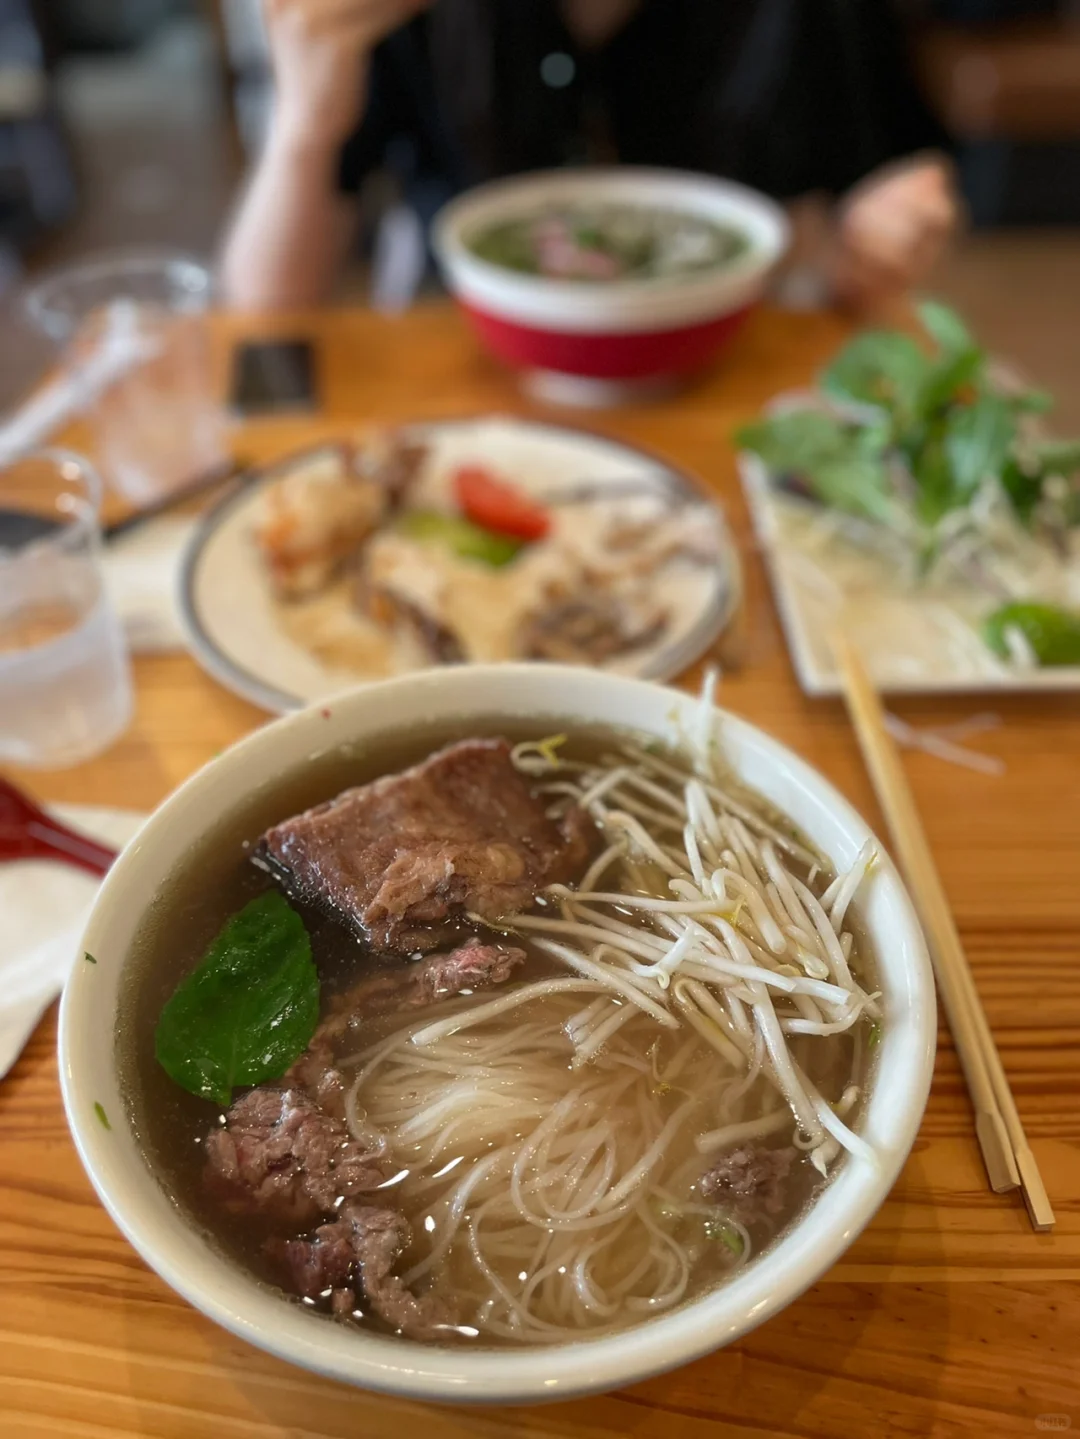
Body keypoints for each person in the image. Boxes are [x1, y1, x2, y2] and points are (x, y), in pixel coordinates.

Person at [221, 0, 959, 313]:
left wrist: (883, 235)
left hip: (723, 347)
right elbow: (263, 309)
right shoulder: (402, 19)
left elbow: (890, 183)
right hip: (465, 342)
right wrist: (306, 120)